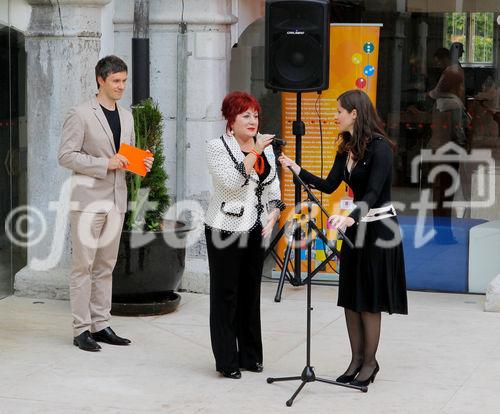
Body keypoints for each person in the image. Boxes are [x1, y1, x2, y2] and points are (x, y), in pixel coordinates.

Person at [279, 89, 407, 387]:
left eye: (339, 111)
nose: (335, 116)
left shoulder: (381, 148)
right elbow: (329, 184)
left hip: (379, 229)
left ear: (355, 113)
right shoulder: (346, 148)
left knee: (369, 300)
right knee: (351, 297)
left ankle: (370, 363)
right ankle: (355, 360)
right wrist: (297, 169)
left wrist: (351, 216)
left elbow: (374, 192)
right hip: (356, 227)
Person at [58, 55, 154, 352]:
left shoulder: (126, 116)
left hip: (116, 200)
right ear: (101, 80)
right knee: (82, 266)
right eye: (116, 81)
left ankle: (101, 324)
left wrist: (141, 162)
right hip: (88, 202)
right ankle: (80, 329)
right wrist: (106, 163)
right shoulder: (80, 114)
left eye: (124, 81)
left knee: (105, 266)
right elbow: (66, 156)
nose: (121, 86)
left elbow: (122, 156)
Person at [204, 91, 285, 379]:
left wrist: (275, 212)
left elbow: (273, 187)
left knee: (250, 293)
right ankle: (227, 360)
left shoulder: (266, 147)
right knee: (226, 294)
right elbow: (232, 183)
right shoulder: (217, 147)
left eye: (256, 115)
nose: (253, 121)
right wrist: (254, 152)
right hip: (224, 227)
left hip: (255, 227)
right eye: (245, 115)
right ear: (231, 119)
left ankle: (251, 356)